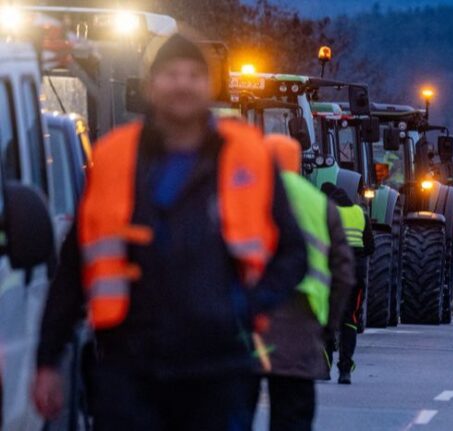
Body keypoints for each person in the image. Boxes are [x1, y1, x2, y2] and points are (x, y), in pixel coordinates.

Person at [33, 34, 307, 430]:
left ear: (209, 86)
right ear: (150, 85)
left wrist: (247, 304)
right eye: (171, 74)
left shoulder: (247, 156)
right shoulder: (113, 156)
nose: (182, 83)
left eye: (194, 74)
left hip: (219, 367)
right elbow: (75, 268)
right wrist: (48, 360)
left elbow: (293, 253)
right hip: (129, 366)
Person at [259, 135, 355, 430]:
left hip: (247, 322)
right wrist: (328, 326)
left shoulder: (243, 193)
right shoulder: (320, 205)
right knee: (292, 415)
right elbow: (343, 274)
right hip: (301, 322)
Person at [322, 183, 375, 384]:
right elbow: (370, 247)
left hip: (331, 272)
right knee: (349, 320)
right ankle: (345, 370)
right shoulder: (360, 213)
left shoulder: (326, 212)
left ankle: (324, 366)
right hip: (355, 273)